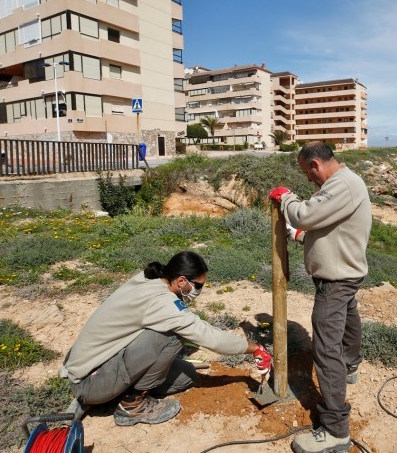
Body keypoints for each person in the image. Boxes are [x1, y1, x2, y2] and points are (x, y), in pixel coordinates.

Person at [60, 251, 271, 426]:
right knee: (174, 336)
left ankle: (120, 392)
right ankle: (132, 405)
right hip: (89, 381)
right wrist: (254, 348)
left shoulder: (148, 280)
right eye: (198, 285)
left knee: (186, 376)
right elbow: (208, 336)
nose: (199, 290)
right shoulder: (163, 303)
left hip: (95, 367)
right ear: (181, 280)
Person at [268, 141, 372, 453]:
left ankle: (335, 430)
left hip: (336, 280)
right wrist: (306, 237)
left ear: (315, 164)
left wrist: (286, 197)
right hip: (345, 274)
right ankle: (350, 365)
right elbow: (331, 226)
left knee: (325, 349)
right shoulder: (345, 183)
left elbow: (303, 214)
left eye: (308, 172)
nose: (309, 179)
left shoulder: (343, 184)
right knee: (349, 320)